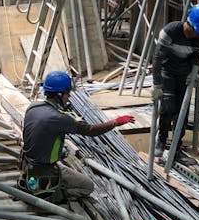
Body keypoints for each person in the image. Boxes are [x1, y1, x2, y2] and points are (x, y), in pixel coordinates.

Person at [20, 70, 135, 202]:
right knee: (87, 186)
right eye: (68, 93)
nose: (69, 96)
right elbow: (91, 130)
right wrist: (115, 122)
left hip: (28, 163)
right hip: (44, 169)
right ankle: (51, 193)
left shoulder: (33, 107)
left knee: (63, 152)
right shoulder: (59, 118)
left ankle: (42, 184)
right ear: (59, 94)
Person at [152, 2, 199, 164]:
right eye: (196, 31)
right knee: (167, 108)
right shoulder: (170, 31)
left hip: (183, 74)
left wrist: (194, 72)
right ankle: (161, 141)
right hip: (168, 73)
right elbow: (157, 59)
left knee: (182, 113)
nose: (198, 35)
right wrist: (157, 85)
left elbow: (195, 56)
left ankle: (176, 149)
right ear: (189, 23)